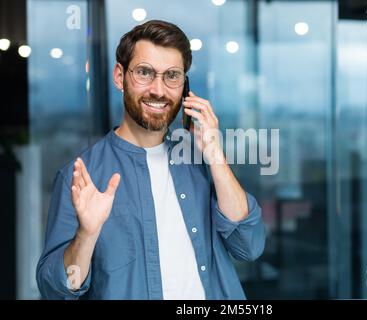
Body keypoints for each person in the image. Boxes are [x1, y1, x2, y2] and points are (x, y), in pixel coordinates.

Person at [36, 19, 265, 300]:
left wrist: (215, 155)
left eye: (172, 75)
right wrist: (86, 234)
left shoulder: (201, 161)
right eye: (145, 73)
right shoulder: (81, 175)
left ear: (185, 87)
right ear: (119, 77)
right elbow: (56, 290)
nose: (159, 90)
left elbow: (249, 245)